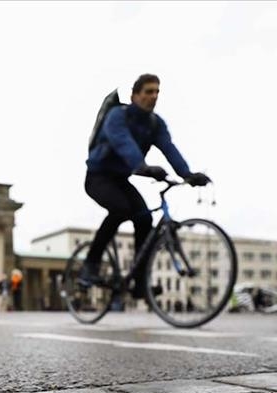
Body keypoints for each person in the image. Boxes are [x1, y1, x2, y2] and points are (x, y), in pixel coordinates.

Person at [79, 74, 210, 299]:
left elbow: (169, 148)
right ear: (134, 95)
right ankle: (89, 266)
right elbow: (122, 142)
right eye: (148, 91)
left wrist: (187, 174)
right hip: (98, 177)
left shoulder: (155, 124)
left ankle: (140, 285)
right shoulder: (117, 116)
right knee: (120, 209)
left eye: (157, 92)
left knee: (144, 219)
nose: (154, 96)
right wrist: (142, 166)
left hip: (121, 179)